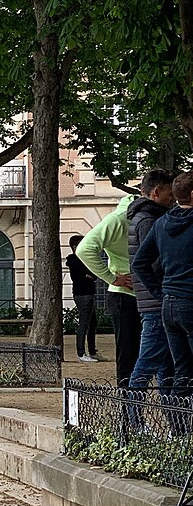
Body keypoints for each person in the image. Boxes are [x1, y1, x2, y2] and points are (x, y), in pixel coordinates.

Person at [133, 171, 193, 399]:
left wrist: (161, 292)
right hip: (188, 301)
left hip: (170, 305)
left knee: (182, 370)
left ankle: (179, 428)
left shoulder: (162, 223)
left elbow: (140, 263)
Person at [76, 193, 139, 386]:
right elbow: (84, 249)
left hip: (136, 293)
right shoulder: (119, 219)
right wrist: (113, 278)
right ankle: (128, 406)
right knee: (128, 354)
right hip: (125, 295)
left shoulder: (135, 217)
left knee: (137, 353)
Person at [127, 169, 177, 393]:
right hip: (156, 304)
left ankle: (174, 423)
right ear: (157, 192)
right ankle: (133, 422)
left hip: (153, 302)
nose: (172, 200)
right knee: (146, 366)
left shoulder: (142, 217)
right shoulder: (149, 220)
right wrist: (161, 294)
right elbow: (152, 263)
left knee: (167, 368)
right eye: (170, 195)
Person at [66, 237, 100, 362]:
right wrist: (89, 275)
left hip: (88, 293)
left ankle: (92, 351)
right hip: (83, 294)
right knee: (84, 324)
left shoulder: (83, 260)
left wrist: (90, 275)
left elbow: (94, 274)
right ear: (75, 247)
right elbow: (87, 274)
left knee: (92, 323)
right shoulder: (75, 261)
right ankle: (81, 353)